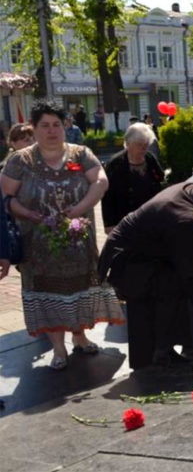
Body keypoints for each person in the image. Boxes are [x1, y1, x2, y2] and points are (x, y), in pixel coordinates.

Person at [0, 99, 124, 370]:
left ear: (65, 126)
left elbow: (101, 181)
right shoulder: (20, 160)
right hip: (38, 249)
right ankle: (58, 349)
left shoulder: (80, 154)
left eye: (57, 124)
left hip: (80, 245)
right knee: (48, 295)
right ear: (34, 128)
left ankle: (79, 337)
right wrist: (32, 215)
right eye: (44, 125)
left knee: (80, 290)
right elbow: (7, 198)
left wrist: (78, 209)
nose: (52, 131)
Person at [98, 178, 193, 369]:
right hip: (127, 263)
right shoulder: (185, 220)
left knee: (177, 285)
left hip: (151, 255)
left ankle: (163, 350)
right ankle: (153, 360)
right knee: (172, 288)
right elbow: (192, 277)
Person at [101, 122, 164, 233]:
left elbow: (160, 180)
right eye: (140, 144)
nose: (144, 148)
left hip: (151, 217)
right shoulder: (115, 164)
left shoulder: (149, 158)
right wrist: (109, 224)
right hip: (125, 220)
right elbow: (107, 196)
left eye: (146, 144)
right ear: (128, 143)